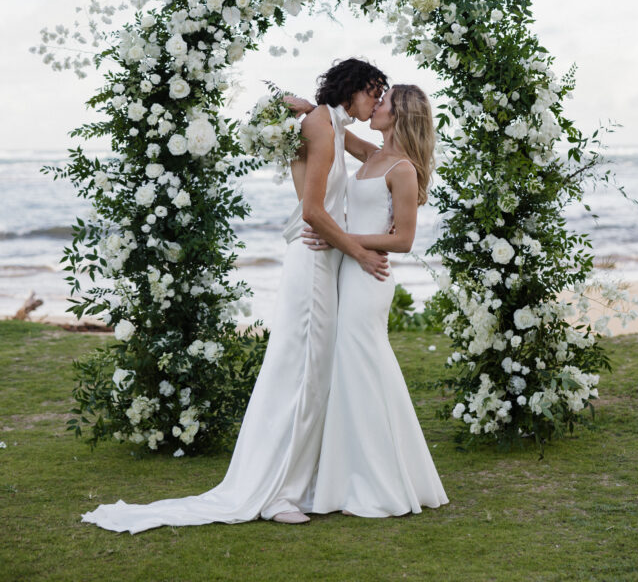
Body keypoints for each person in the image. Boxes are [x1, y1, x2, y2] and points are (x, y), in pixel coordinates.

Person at [81, 58, 389, 533]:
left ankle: (296, 481)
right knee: (303, 373)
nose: (377, 100)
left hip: (320, 261)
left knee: (310, 372)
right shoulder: (324, 124)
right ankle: (277, 493)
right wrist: (361, 252)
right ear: (352, 88)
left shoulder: (326, 121)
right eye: (373, 91)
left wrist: (316, 110)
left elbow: (373, 156)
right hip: (313, 264)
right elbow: (311, 210)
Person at [300, 85, 449, 517]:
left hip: (370, 276)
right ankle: (349, 473)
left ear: (399, 114)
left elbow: (402, 239)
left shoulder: (402, 168)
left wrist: (339, 238)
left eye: (383, 103)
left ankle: (379, 481)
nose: (375, 106)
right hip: (351, 267)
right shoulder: (372, 155)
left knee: (363, 366)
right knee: (349, 369)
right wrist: (311, 109)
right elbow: (335, 131)